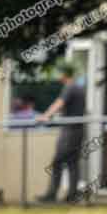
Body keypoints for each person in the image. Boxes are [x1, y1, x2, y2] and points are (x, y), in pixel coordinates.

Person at [36, 63, 85, 203]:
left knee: (57, 162)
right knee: (72, 163)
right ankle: (72, 196)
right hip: (77, 130)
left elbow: (59, 103)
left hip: (70, 131)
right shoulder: (78, 87)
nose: (58, 77)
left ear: (64, 75)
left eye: (60, 74)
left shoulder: (70, 87)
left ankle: (51, 195)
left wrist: (46, 116)